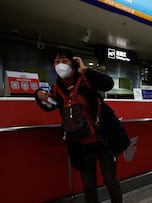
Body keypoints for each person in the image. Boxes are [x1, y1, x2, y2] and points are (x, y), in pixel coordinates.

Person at [35, 48, 129, 203]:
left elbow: (108, 84)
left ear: (73, 62)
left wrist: (86, 70)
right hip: (81, 144)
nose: (60, 65)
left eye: (64, 60)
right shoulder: (57, 89)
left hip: (103, 140)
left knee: (110, 180)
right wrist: (38, 94)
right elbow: (49, 106)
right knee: (88, 184)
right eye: (56, 62)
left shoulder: (86, 79)